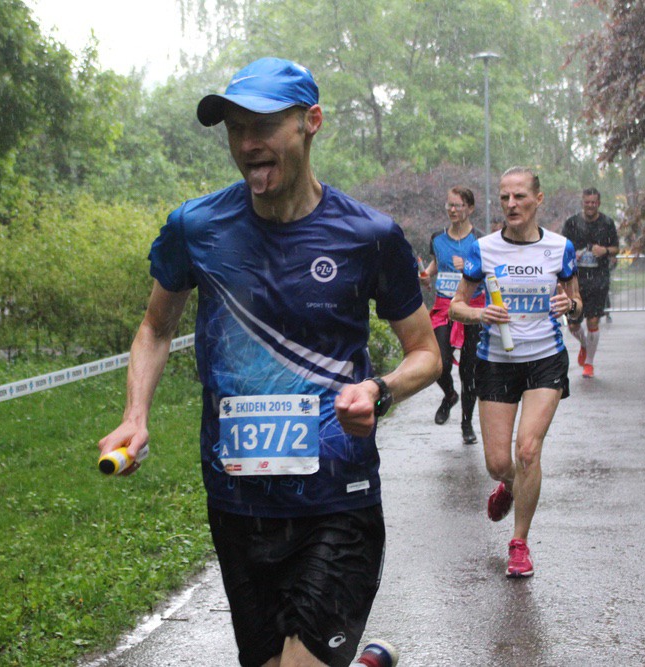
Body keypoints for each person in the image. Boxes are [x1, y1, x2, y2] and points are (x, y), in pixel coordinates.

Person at [98, 57, 440, 667]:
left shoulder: (368, 236)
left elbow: (426, 353)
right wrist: (135, 414)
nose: (247, 143)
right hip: (238, 502)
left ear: (311, 122)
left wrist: (379, 391)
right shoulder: (197, 227)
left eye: (263, 125)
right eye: (235, 128)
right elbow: (155, 327)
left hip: (338, 496)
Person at [449, 167, 580, 578]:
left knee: (527, 451)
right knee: (497, 463)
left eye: (520, 196)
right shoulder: (484, 249)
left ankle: (519, 543)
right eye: (505, 197)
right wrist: (480, 313)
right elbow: (456, 306)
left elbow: (577, 301)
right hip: (496, 361)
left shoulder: (560, 248)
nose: (511, 204)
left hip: (545, 359)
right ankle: (508, 485)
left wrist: (570, 306)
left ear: (538, 199)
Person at [420, 186, 484, 444]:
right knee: (439, 363)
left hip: (471, 308)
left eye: (458, 205)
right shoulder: (437, 238)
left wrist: (468, 266)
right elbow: (438, 264)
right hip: (444, 308)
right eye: (450, 205)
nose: (453, 210)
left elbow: (488, 274)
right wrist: (426, 275)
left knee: (469, 371)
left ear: (470, 208)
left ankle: (466, 423)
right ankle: (449, 395)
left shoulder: (479, 241)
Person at [559, 188, 619, 378]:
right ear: (583, 202)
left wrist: (605, 251)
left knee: (593, 321)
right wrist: (572, 255)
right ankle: (585, 345)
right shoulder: (572, 223)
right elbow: (562, 246)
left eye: (594, 202)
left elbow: (616, 248)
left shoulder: (607, 223)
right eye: (587, 202)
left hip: (599, 279)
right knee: (573, 326)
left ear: (598, 203)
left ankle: (589, 363)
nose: (590, 205)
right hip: (576, 281)